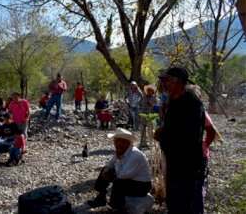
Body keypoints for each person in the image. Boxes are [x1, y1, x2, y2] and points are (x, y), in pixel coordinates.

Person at [154, 67, 206, 214]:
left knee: (184, 204)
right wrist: (163, 131)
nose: (163, 83)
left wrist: (164, 135)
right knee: (173, 202)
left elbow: (190, 137)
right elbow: (174, 128)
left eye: (167, 79)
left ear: (177, 82)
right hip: (173, 163)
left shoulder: (192, 104)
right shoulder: (172, 102)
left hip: (187, 165)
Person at [87, 128, 152, 213]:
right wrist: (107, 169)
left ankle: (117, 208)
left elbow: (122, 175)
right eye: (116, 141)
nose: (117, 144)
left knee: (118, 182)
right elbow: (110, 163)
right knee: (105, 170)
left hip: (142, 185)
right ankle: (101, 197)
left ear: (127, 143)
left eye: (120, 141)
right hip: (130, 179)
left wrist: (116, 163)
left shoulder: (134, 155)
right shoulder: (122, 150)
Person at [185, 84, 223, 214]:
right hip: (183, 155)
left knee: (196, 188)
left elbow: (211, 131)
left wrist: (205, 145)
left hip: (196, 155)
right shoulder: (177, 110)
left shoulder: (200, 110)